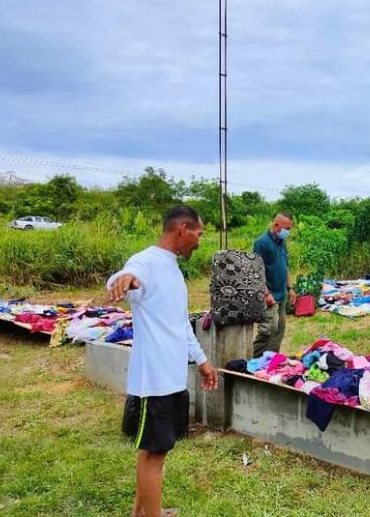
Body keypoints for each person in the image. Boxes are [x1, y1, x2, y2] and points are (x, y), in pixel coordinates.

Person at [107, 205, 218, 517]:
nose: (199, 241)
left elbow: (179, 324)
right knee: (154, 456)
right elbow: (129, 276)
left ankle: (142, 512)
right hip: (153, 381)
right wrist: (125, 278)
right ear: (183, 228)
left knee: (156, 452)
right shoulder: (147, 262)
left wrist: (202, 360)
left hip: (171, 377)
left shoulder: (171, 267)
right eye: (199, 233)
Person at [252, 212, 296, 358]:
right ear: (276, 225)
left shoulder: (282, 243)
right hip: (269, 296)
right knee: (267, 331)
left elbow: (285, 266)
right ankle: (254, 360)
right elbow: (256, 272)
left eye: (289, 229)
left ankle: (270, 359)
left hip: (281, 293)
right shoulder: (261, 243)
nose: (288, 232)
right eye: (286, 229)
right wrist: (266, 294)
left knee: (279, 330)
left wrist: (290, 288)